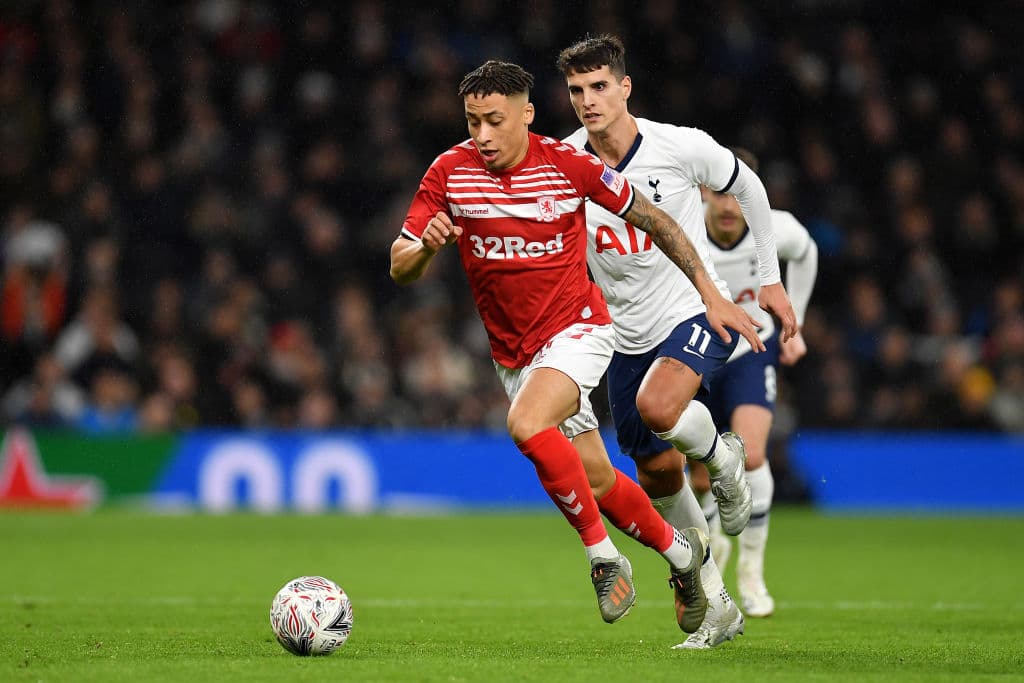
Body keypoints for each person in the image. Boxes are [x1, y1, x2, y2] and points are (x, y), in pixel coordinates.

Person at [390, 59, 765, 632]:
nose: (483, 136)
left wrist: (711, 293)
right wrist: (424, 250)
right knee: (595, 477)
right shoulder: (449, 172)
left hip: (580, 330)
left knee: (525, 424)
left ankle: (603, 558)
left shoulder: (569, 164)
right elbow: (400, 265)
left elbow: (657, 221)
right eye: (472, 123)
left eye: (494, 121)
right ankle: (686, 555)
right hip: (512, 355)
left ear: (526, 115)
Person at [556, 35, 798, 648]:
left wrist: (768, 279)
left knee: (659, 408)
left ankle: (720, 458)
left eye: (600, 86)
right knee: (661, 481)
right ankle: (716, 603)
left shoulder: (679, 145)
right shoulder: (564, 163)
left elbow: (752, 190)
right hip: (623, 337)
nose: (588, 100)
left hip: (698, 310)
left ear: (624, 86)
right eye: (578, 90)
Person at [688, 147, 818, 619]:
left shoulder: (774, 228)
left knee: (754, 452)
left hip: (752, 352)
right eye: (718, 195)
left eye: (736, 196)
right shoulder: (687, 225)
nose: (727, 207)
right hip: (698, 353)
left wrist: (795, 322)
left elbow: (806, 252)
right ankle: (712, 551)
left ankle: (751, 571)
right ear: (704, 193)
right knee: (701, 476)